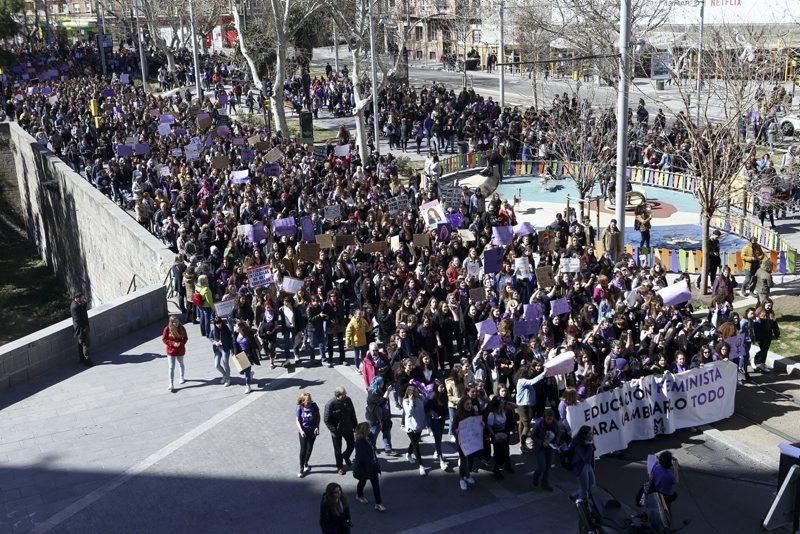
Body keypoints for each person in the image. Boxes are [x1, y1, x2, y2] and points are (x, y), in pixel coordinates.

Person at [352, 422, 386, 512]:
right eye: (368, 429)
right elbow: (363, 457)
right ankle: (359, 495)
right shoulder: (359, 442)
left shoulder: (369, 437)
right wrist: (374, 465)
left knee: (375, 485)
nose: (370, 430)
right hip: (364, 467)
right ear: (364, 431)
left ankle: (378, 503)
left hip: (372, 464)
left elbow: (372, 450)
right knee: (362, 481)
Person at [324, 386, 358, 475]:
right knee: (337, 451)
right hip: (336, 432)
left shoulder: (348, 400)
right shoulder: (330, 404)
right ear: (338, 395)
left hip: (348, 428)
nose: (346, 395)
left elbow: (352, 414)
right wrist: (334, 430)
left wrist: (355, 427)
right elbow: (326, 420)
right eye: (344, 394)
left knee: (351, 445)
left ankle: (346, 456)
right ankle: (340, 467)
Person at [454, 395, 482, 491]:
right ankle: (461, 478)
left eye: (470, 404)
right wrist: (456, 431)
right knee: (463, 460)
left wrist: (482, 424)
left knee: (470, 459)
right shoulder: (458, 415)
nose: (469, 406)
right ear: (462, 405)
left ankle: (467, 475)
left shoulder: (473, 413)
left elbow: (478, 424)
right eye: (467, 404)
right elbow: (454, 428)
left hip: (471, 441)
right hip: (462, 442)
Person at [531, 408, 561, 491]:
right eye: (548, 419)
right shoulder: (539, 424)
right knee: (542, 467)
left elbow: (558, 434)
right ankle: (536, 477)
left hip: (550, 448)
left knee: (548, 467)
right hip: (540, 448)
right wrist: (541, 442)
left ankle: (545, 483)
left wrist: (556, 442)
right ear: (544, 417)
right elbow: (533, 435)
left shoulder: (555, 424)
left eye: (551, 419)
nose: (549, 421)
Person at [402, 385, 428, 476]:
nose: (417, 393)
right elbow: (409, 412)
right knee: (416, 445)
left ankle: (408, 454)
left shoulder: (420, 397)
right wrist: (411, 401)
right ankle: (421, 466)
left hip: (419, 425)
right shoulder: (406, 401)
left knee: (414, 442)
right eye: (415, 392)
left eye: (417, 391)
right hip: (411, 427)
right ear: (410, 394)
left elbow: (426, 405)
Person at [364, 376, 394, 455]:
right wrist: (388, 391)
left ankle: (388, 449)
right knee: (373, 434)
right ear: (379, 383)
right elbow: (382, 401)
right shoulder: (372, 393)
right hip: (374, 418)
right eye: (382, 382)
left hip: (384, 416)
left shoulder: (378, 390)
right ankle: (372, 448)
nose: (383, 384)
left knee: (386, 432)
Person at [425, 380, 450, 471]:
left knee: (439, 438)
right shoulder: (432, 396)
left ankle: (437, 452)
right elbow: (426, 408)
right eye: (441, 387)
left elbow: (445, 407)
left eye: (444, 387)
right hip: (434, 421)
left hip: (442, 419)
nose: (443, 389)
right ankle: (441, 460)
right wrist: (432, 412)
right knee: (438, 438)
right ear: (436, 387)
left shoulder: (444, 395)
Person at [568, 425, 596, 500]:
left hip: (587, 466)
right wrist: (590, 446)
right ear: (585, 435)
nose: (592, 434)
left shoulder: (588, 442)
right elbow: (586, 459)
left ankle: (573, 496)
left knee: (592, 484)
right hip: (580, 467)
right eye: (590, 433)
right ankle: (580, 504)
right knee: (584, 489)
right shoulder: (579, 445)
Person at [295, 392, 320, 478]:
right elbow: (297, 420)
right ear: (303, 401)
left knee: (310, 448)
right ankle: (301, 468)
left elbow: (318, 417)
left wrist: (317, 427)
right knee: (303, 449)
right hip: (304, 432)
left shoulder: (314, 406)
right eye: (307, 400)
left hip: (312, 431)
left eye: (310, 399)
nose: (309, 401)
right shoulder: (300, 408)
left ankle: (306, 463)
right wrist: (301, 431)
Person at [162, 316, 188, 392]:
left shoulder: (182, 328)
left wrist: (181, 343)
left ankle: (181, 377)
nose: (176, 323)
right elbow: (164, 339)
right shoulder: (167, 329)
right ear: (171, 323)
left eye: (177, 322)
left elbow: (185, 338)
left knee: (181, 363)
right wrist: (172, 343)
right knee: (171, 367)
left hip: (180, 350)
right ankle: (171, 383)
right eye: (174, 322)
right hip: (171, 351)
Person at [70, 293, 93, 366]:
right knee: (85, 344)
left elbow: (83, 308)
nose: (83, 299)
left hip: (82, 328)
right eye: (82, 298)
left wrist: (83, 303)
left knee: (81, 344)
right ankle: (87, 361)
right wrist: (85, 328)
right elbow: (77, 320)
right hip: (81, 329)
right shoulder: (75, 306)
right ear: (77, 298)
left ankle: (81, 359)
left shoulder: (78, 304)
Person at [211, 316, 233, 386]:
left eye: (220, 323)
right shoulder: (213, 330)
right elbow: (210, 338)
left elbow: (231, 337)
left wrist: (232, 349)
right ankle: (225, 375)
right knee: (216, 365)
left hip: (225, 349)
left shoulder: (226, 329)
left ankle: (228, 378)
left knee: (225, 364)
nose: (219, 325)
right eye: (217, 323)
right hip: (217, 349)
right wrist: (215, 342)